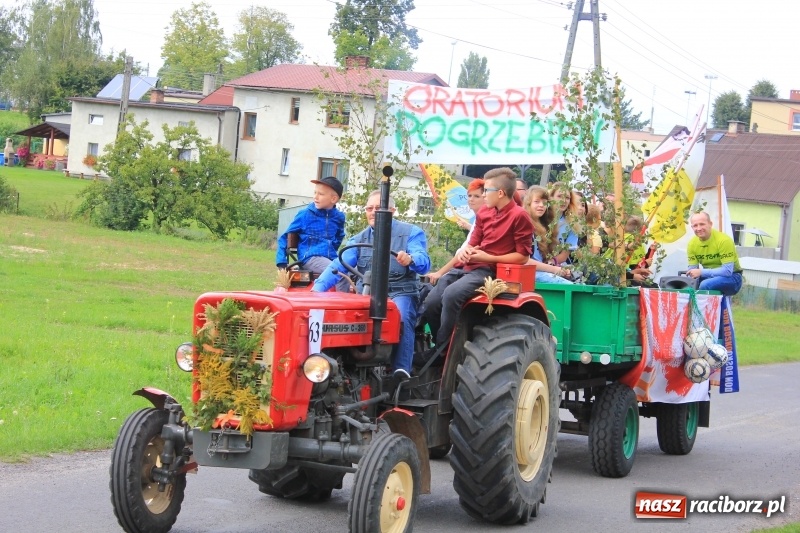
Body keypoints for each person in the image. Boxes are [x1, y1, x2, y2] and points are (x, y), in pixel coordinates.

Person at [312, 191, 431, 378]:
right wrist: (317, 290)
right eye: (369, 208)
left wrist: (411, 259)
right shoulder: (359, 239)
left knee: (401, 317)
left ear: (392, 211)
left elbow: (423, 261)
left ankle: (401, 372)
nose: (373, 212)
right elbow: (338, 265)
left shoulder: (411, 233)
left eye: (378, 208)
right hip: (367, 294)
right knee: (345, 319)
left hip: (400, 292)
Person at [422, 167, 533, 358]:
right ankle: (441, 346)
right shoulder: (484, 213)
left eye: (486, 191)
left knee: (451, 295)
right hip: (468, 267)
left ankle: (442, 354)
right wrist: (467, 251)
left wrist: (487, 257)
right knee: (431, 301)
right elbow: (473, 242)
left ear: (500, 193)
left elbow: (522, 256)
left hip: (489, 271)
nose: (483, 195)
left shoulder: (519, 216)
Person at [419, 179, 485, 341]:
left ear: (486, 198)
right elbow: (462, 253)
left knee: (450, 295)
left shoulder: (488, 221)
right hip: (461, 268)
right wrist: (440, 273)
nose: (471, 199)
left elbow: (467, 253)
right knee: (430, 301)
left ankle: (445, 346)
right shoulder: (476, 222)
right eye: (469, 196)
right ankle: (436, 342)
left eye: (476, 196)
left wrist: (441, 272)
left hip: (477, 269)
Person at [276, 176, 345, 275]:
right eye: (315, 192)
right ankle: (326, 284)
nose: (315, 197)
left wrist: (331, 250)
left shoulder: (338, 217)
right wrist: (281, 262)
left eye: (320, 194)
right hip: (310, 258)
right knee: (339, 273)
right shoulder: (305, 214)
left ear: (333, 199)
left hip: (331, 258)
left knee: (355, 271)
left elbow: (339, 237)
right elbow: (285, 238)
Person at [522, 186, 573, 284]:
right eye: (536, 202)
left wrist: (559, 269)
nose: (541, 205)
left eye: (544, 202)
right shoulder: (524, 224)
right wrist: (554, 270)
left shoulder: (545, 226)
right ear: (528, 203)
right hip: (528, 273)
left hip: (541, 271)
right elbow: (525, 261)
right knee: (569, 286)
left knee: (579, 283)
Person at [686, 211, 743, 296]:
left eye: (702, 224)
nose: (698, 228)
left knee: (705, 285)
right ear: (692, 227)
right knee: (686, 287)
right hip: (709, 277)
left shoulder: (724, 241)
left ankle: (704, 305)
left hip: (733, 277)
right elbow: (692, 273)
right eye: (695, 225)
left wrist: (701, 272)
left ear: (710, 224)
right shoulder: (691, 244)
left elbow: (727, 271)